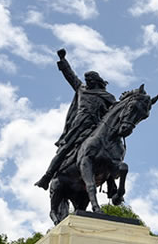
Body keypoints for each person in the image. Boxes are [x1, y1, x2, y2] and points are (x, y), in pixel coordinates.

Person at [36, 49, 120, 189]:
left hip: (97, 126)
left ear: (97, 81)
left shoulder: (108, 96)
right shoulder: (81, 89)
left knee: (111, 148)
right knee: (65, 149)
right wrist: (63, 60)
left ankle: (111, 183)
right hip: (79, 126)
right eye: (86, 80)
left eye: (90, 80)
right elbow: (70, 76)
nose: (87, 82)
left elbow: (115, 113)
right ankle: (47, 176)